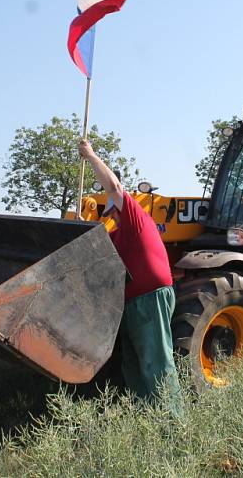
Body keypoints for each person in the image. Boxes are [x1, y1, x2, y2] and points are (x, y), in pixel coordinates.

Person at [78, 139, 183, 415]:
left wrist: (90, 156)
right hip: (131, 300)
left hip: (151, 295)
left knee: (156, 361)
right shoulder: (111, 232)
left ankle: (173, 423)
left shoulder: (135, 214)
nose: (108, 213)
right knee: (134, 365)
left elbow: (113, 187)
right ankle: (145, 417)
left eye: (111, 208)